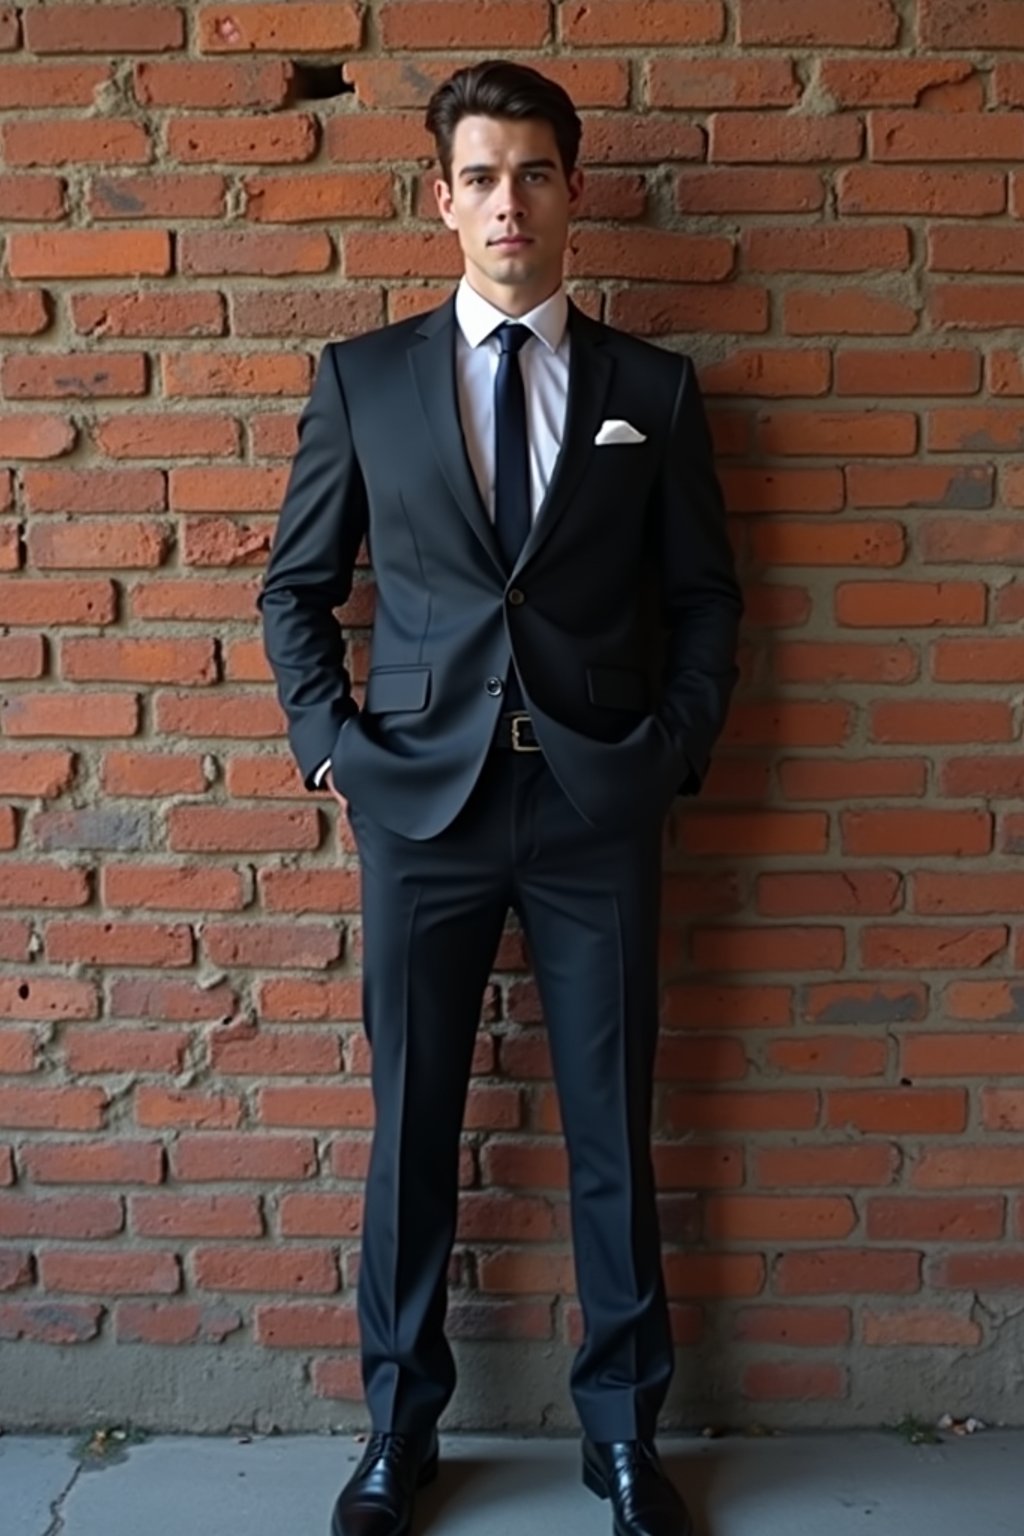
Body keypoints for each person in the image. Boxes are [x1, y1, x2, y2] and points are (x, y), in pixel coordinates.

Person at [258, 58, 742, 1536]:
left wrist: (666, 755)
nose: (508, 200)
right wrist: (334, 751)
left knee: (613, 1123)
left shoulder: (650, 390)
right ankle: (399, 1432)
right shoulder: (365, 378)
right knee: (413, 1130)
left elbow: (706, 600)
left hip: (597, 807)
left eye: (533, 170)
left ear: (573, 191)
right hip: (420, 811)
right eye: (480, 175)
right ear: (443, 201)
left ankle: (619, 1441)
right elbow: (295, 589)